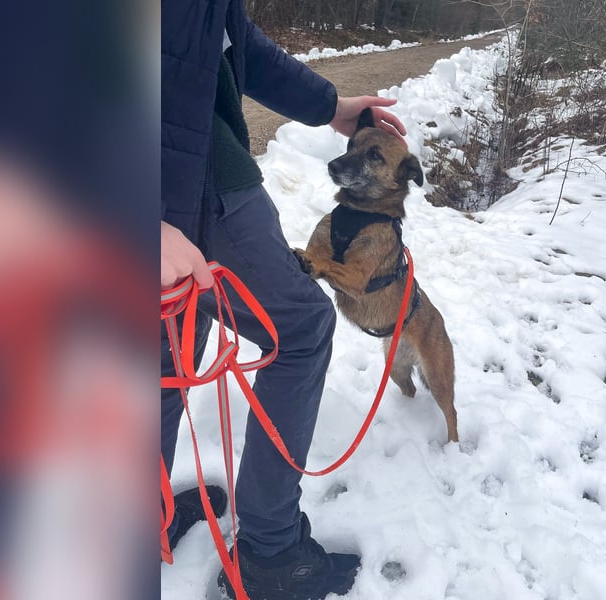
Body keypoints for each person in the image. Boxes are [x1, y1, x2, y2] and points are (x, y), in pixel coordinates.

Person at [161, 1, 407, 599]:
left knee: (169, 339)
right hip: (177, 176)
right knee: (298, 327)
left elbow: (226, 35)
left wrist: (331, 107)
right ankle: (270, 552)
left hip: (186, 157)